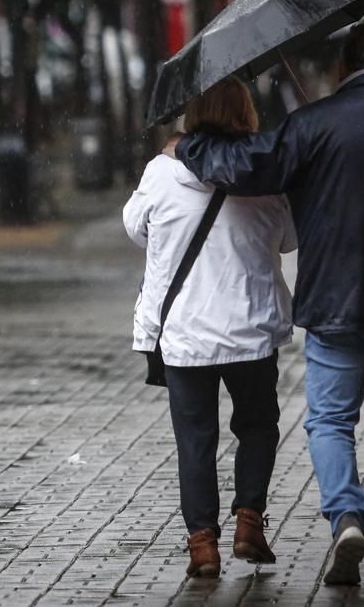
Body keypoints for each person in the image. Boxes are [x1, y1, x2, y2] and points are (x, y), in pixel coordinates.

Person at [171, 22, 364, 585]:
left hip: (334, 300)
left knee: (330, 420)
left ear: (340, 72)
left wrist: (191, 144)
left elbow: (247, 167)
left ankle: (347, 515)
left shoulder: (312, 124)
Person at [124, 78, 297, 579]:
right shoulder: (263, 172)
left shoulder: (161, 171)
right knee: (258, 427)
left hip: (186, 335)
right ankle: (248, 521)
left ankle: (203, 544)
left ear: (191, 115)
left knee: (196, 440)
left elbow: (136, 227)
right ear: (245, 113)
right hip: (250, 329)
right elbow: (288, 239)